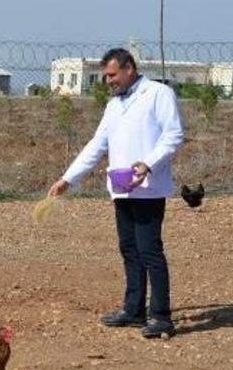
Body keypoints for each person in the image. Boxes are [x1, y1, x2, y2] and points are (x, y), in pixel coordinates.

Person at [47, 48, 184, 338]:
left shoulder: (158, 94)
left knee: (149, 250)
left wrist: (148, 164)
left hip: (147, 188)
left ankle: (160, 316)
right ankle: (133, 309)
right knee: (129, 249)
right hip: (121, 187)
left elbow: (173, 135)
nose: (108, 81)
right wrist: (68, 178)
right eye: (106, 76)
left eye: (111, 75)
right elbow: (97, 144)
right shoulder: (113, 105)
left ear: (129, 69)